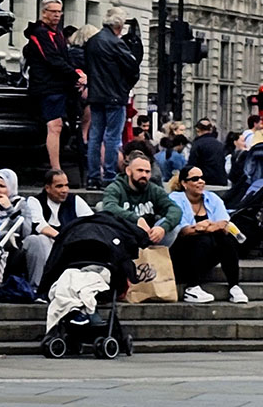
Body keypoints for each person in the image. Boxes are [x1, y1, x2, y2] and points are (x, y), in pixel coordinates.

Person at [82, 7, 143, 189]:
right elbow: (133, 68)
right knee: (112, 137)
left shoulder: (92, 42)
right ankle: (109, 175)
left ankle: (93, 177)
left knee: (95, 136)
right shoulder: (116, 44)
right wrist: (125, 87)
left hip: (96, 94)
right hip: (115, 95)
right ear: (120, 24)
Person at [168, 164, 247, 304]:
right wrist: (210, 227)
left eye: (202, 178)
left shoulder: (212, 198)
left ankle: (234, 286)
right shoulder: (175, 199)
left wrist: (205, 227)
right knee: (202, 239)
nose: (201, 181)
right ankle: (191, 288)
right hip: (180, 254)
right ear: (184, 184)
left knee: (226, 240)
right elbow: (184, 230)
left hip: (206, 253)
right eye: (195, 178)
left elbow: (224, 226)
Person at [22, 0, 85, 170]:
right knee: (54, 125)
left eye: (59, 12)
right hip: (47, 86)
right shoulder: (40, 33)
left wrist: (77, 74)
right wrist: (75, 74)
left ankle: (57, 165)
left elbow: (63, 58)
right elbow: (52, 59)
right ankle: (55, 167)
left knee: (59, 125)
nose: (57, 15)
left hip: (58, 86)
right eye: (53, 12)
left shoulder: (57, 33)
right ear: (44, 13)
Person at [22, 168, 93, 288]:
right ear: (47, 188)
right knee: (40, 240)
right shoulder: (35, 201)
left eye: (66, 185)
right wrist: (62, 239)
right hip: (47, 246)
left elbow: (90, 221)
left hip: (70, 247)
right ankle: (39, 287)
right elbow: (40, 225)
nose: (65, 190)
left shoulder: (74, 200)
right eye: (59, 186)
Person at [99, 153, 181, 245]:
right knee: (100, 207)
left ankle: (158, 256)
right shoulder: (115, 188)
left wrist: (163, 228)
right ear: (128, 171)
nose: (144, 175)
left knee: (174, 227)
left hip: (149, 236)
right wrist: (137, 219)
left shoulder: (155, 190)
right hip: (122, 235)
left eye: (147, 172)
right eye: (140, 170)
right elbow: (109, 207)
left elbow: (175, 209)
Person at [188, 119, 227, 187]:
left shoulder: (197, 144)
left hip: (204, 181)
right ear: (210, 129)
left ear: (198, 129)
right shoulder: (219, 144)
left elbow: (192, 164)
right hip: (221, 180)